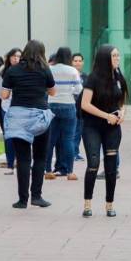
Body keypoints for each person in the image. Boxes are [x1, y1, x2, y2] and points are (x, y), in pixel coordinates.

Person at [1, 40, 57, 209]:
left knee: (23, 158)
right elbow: (53, 91)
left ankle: (22, 199)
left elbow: (4, 95)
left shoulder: (13, 70)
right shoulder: (44, 69)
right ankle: (37, 196)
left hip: (19, 116)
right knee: (40, 157)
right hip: (39, 115)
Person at [80, 45, 128, 217]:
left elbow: (121, 100)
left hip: (113, 128)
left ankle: (109, 204)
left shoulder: (118, 76)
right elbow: (85, 104)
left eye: (118, 55)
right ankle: (87, 204)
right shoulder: (93, 78)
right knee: (93, 164)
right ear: (104, 58)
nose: (117, 58)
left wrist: (122, 112)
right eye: (114, 55)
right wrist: (106, 115)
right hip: (92, 126)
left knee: (111, 167)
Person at [44, 46, 83, 181]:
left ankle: (48, 170)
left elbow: (46, 87)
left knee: (51, 139)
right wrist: (69, 90)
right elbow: (78, 89)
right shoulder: (72, 70)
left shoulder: (50, 69)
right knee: (68, 139)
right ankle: (70, 171)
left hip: (52, 104)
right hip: (68, 105)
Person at [0, 48, 21, 174]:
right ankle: (10, 164)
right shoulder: (3, 73)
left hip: (20, 107)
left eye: (18, 56)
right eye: (13, 56)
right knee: (8, 137)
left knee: (21, 137)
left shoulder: (25, 71)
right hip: (6, 107)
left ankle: (21, 161)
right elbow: (0, 93)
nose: (16, 59)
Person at [72, 52, 87, 163]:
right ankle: (70, 153)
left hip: (82, 109)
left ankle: (75, 153)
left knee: (78, 132)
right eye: (75, 61)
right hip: (70, 108)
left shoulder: (86, 77)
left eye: (79, 61)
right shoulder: (69, 75)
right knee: (71, 132)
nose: (77, 63)